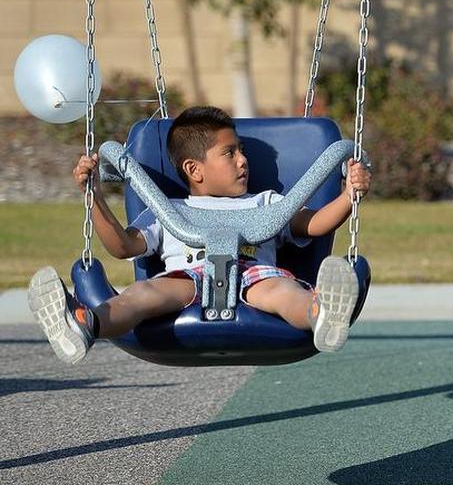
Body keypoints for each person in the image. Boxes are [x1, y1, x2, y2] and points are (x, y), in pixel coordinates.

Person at [28, 106, 373, 364]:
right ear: (194, 169)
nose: (243, 161)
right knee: (142, 295)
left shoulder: (266, 202)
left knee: (284, 292)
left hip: (254, 273)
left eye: (241, 151)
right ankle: (84, 322)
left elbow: (312, 224)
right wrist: (95, 198)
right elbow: (123, 246)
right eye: (230, 152)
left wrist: (348, 196)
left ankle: (320, 312)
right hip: (187, 277)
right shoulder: (166, 208)